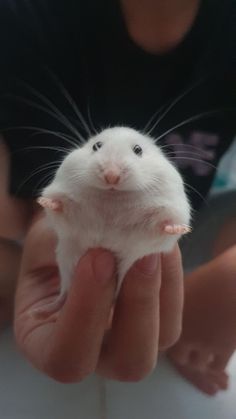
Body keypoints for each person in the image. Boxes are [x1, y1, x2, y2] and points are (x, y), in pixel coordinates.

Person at [0, 0, 235, 394]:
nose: (111, 174)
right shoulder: (22, 20)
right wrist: (51, 212)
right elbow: (30, 209)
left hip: (175, 240)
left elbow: (177, 215)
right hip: (48, 233)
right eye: (98, 155)